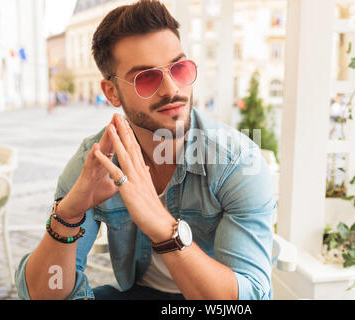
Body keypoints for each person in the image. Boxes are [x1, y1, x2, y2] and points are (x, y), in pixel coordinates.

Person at [15, 0, 275, 300]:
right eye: (146, 78)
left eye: (179, 68)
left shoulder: (237, 162)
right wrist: (68, 214)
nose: (171, 89)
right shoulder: (98, 161)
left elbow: (249, 299)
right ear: (112, 92)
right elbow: (43, 294)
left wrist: (164, 229)